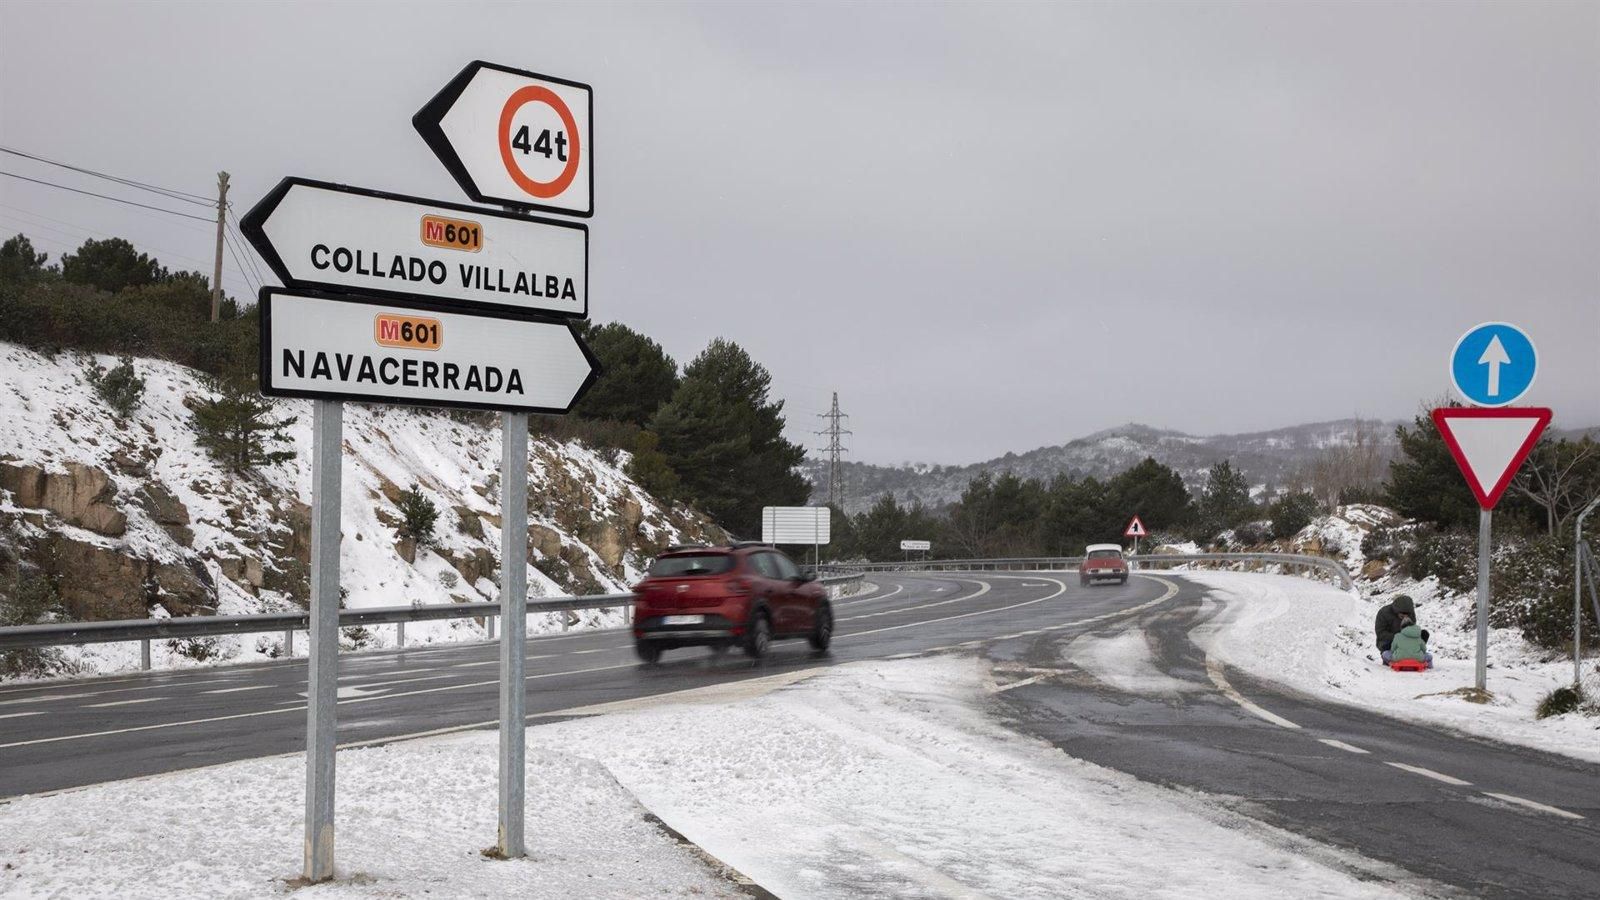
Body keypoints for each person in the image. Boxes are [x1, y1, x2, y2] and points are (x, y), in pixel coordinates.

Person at [1375, 594, 1430, 666]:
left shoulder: (1410, 613)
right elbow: (1380, 633)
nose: (1405, 617)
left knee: (1424, 634)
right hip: (1389, 641)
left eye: (1407, 615)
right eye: (1402, 615)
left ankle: (1415, 654)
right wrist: (1397, 637)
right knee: (1386, 646)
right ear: (1396, 611)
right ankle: (1388, 657)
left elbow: (1412, 628)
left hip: (1406, 641)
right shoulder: (1383, 612)